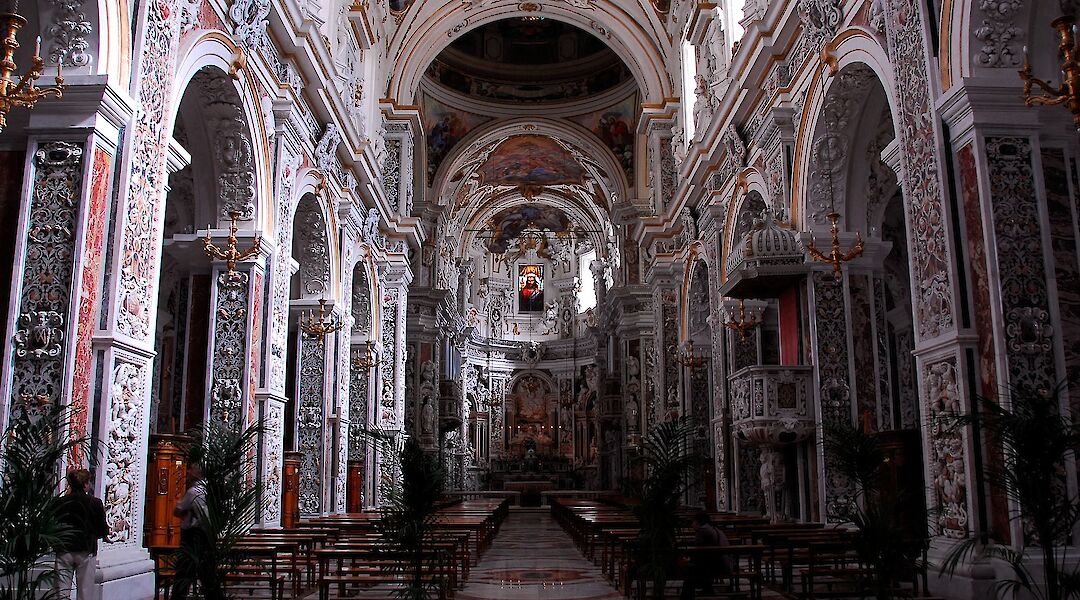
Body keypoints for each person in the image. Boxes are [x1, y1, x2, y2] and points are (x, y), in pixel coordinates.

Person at [55, 469, 109, 600]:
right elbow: (102, 528)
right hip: (86, 549)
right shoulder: (94, 503)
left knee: (61, 592)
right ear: (85, 484)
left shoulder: (61, 502)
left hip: (64, 548)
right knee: (85, 592)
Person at [172, 462, 209, 600]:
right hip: (206, 535)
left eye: (191, 470)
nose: (187, 472)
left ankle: (179, 596)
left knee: (185, 568)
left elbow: (178, 510)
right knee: (205, 570)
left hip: (192, 535)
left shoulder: (194, 491)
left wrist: (183, 513)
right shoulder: (209, 489)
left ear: (198, 473)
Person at [680, 511, 731, 600]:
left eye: (693, 522)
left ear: (698, 522)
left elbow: (697, 551)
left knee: (690, 572)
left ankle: (686, 597)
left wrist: (688, 559)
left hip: (718, 567)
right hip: (724, 564)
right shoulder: (714, 529)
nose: (692, 525)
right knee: (697, 567)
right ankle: (708, 591)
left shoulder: (702, 531)